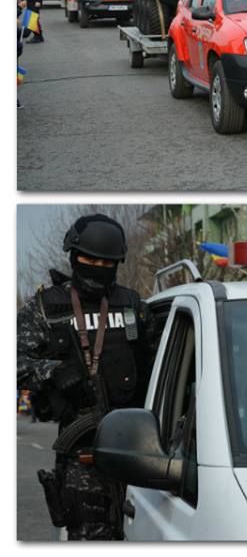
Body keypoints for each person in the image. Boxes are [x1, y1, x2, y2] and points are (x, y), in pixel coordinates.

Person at [18, 215, 160, 539]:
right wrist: (52, 372)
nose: (97, 266)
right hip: (81, 454)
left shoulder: (133, 306)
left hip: (138, 452)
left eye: (105, 262)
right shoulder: (47, 308)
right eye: (89, 259)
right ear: (73, 257)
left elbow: (159, 362)